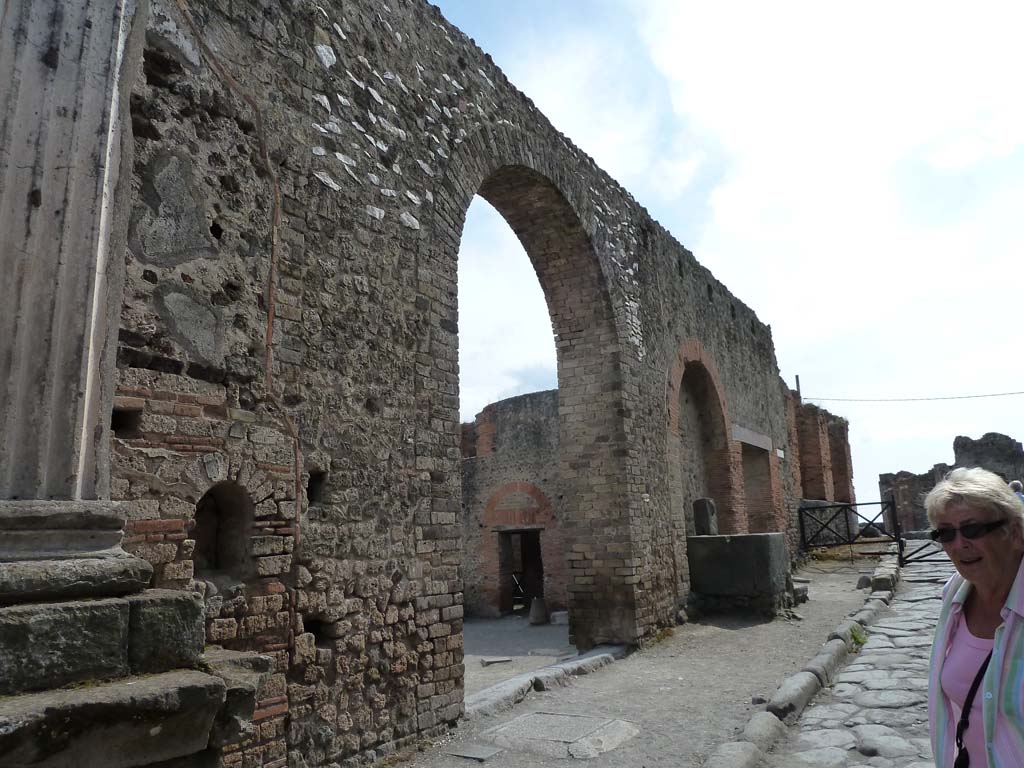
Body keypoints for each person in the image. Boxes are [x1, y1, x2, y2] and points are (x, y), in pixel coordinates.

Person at [927, 467, 1024, 767]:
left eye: (972, 529)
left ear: (1015, 533)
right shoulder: (954, 595)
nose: (958, 544)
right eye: (946, 533)